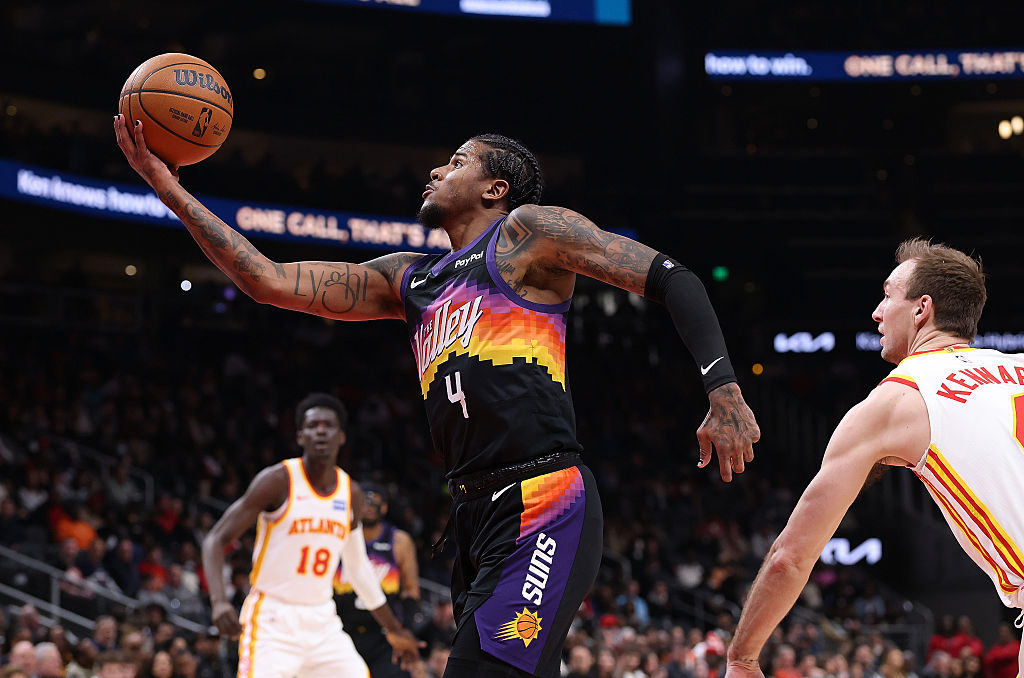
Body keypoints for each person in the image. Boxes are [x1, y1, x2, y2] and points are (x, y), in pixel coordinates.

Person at [115, 118, 760, 678]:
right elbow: (267, 280)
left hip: (541, 500)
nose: (434, 168)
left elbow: (673, 277)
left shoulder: (526, 236)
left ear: (494, 187)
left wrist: (723, 388)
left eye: (456, 161)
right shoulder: (409, 280)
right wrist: (165, 184)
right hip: (472, 517)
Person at [724, 239, 1024, 678]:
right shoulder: (1017, 364)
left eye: (887, 295)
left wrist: (743, 657)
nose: (876, 312)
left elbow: (792, 555)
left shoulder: (895, 401)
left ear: (922, 309)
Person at [200, 393, 421, 678]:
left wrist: (395, 629)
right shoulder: (278, 480)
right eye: (312, 425)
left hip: (322, 620)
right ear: (300, 435)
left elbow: (358, 569)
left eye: (328, 425)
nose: (320, 431)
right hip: (273, 619)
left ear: (341, 436)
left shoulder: (350, 492)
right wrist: (218, 601)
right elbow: (215, 540)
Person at [334, 482, 422, 678]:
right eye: (363, 502)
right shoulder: (338, 536)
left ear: (384, 507)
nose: (367, 507)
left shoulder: (398, 540)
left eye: (373, 502)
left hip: (385, 636)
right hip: (341, 633)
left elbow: (410, 591)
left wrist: (406, 631)